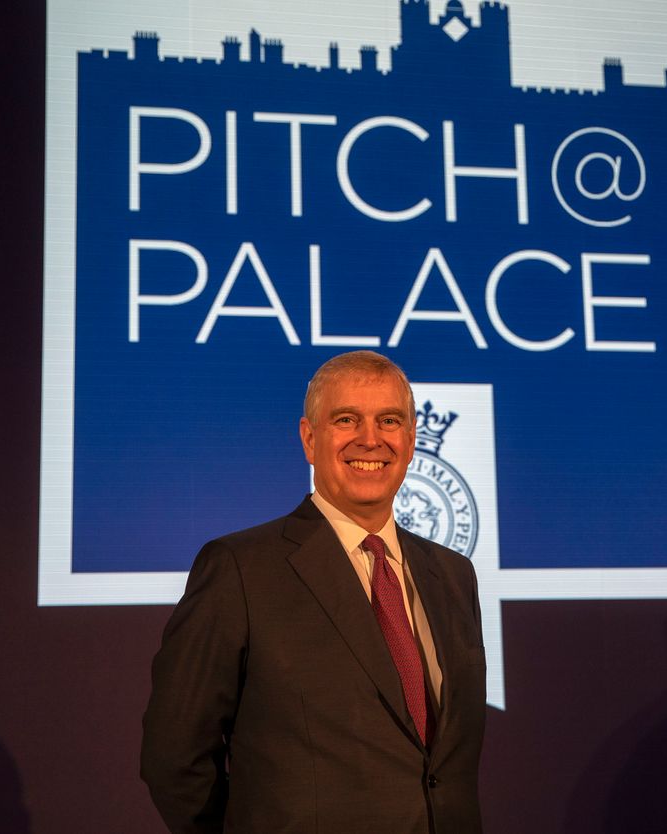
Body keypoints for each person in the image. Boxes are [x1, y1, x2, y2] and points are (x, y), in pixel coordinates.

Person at [140, 351, 487, 834]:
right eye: (347, 419)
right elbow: (173, 755)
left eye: (389, 420)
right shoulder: (240, 568)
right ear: (309, 438)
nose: (371, 439)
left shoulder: (453, 574)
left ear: (409, 440)